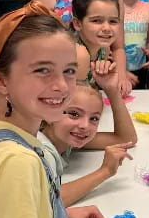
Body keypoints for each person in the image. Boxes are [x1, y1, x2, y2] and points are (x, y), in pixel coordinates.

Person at [0, 1, 112, 218]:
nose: (62, 86)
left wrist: (56, 213)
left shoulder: (12, 139)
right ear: (0, 81)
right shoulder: (18, 163)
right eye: (42, 70)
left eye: (69, 71)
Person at [39, 74, 137, 206]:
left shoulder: (64, 137)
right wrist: (105, 171)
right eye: (74, 114)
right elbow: (45, 202)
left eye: (94, 118)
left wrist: (112, 91)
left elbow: (126, 139)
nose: (85, 126)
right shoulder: (40, 152)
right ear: (49, 114)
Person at [72, 0, 120, 89]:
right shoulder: (79, 54)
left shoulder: (104, 48)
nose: (107, 28)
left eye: (113, 21)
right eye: (96, 21)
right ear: (77, 24)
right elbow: (76, 100)